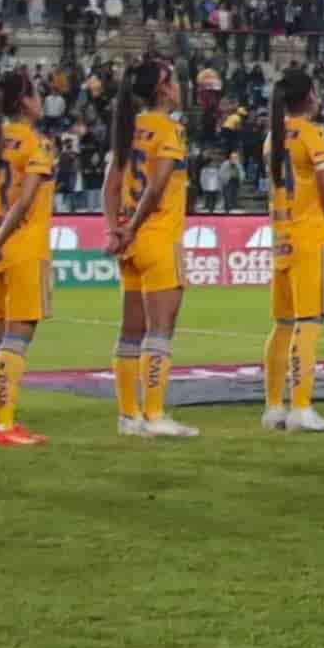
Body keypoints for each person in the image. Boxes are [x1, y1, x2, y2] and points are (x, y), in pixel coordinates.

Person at [104, 54, 198, 438]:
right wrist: (135, 227)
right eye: (173, 80)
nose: (178, 87)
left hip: (130, 242)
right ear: (163, 87)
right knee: (160, 331)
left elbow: (110, 185)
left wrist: (117, 230)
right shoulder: (169, 130)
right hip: (158, 237)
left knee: (130, 332)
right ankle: (155, 414)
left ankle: (129, 415)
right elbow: (158, 186)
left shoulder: (128, 128)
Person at [0, 70, 55, 447]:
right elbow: (25, 200)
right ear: (25, 101)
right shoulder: (37, 144)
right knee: (18, 336)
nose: (41, 101)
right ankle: (4, 423)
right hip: (22, 249)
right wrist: (2, 239)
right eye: (36, 94)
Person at [259, 67, 324, 435]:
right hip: (311, 234)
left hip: (282, 235)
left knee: (283, 325)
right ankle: (302, 408)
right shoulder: (314, 134)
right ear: (310, 95)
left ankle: (274, 407)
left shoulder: (273, 137)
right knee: (310, 323)